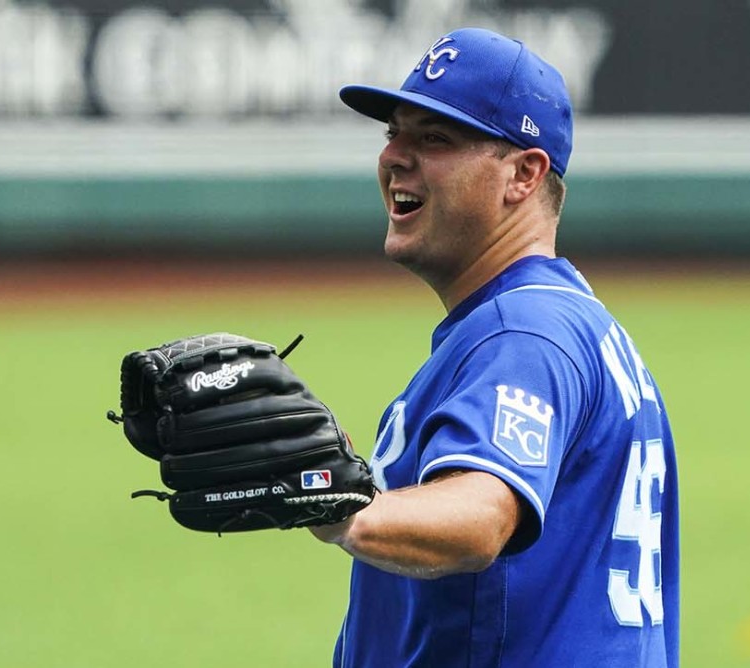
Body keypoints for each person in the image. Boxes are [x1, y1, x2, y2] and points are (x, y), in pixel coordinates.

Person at [309, 27, 680, 667]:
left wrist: (341, 505)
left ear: (523, 175)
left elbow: (480, 516)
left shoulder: (523, 332)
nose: (395, 156)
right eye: (393, 132)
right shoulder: (569, 319)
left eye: (434, 139)